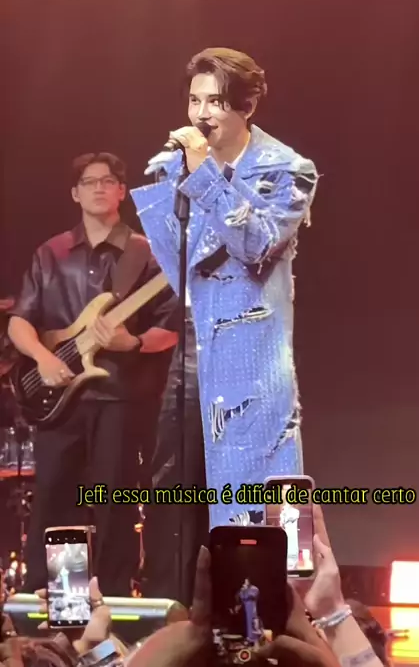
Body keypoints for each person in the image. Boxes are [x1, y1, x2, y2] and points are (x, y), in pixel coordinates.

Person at [131, 48, 318, 604]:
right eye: (194, 100)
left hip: (256, 355)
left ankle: (284, 611)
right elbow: (181, 269)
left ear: (246, 106)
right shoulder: (175, 169)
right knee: (192, 490)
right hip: (201, 353)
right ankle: (210, 612)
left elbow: (256, 244)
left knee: (264, 489)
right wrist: (183, 179)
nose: (201, 114)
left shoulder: (286, 169)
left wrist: (204, 177)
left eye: (215, 101)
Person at [7, 152, 178, 596]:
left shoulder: (147, 253)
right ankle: (57, 599)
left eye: (108, 181)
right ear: (75, 193)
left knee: (114, 503)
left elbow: (171, 328)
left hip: (121, 398)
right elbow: (19, 321)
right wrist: (43, 358)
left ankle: (112, 600)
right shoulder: (51, 253)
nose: (99, 187)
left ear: (122, 191)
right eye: (89, 181)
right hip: (57, 402)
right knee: (54, 499)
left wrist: (132, 343)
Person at [279, 486, 300, 569]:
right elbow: (282, 522)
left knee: (293, 547)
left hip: (293, 533)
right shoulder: (283, 511)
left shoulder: (296, 511)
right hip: (286, 532)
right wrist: (283, 514)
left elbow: (293, 517)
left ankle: (294, 564)